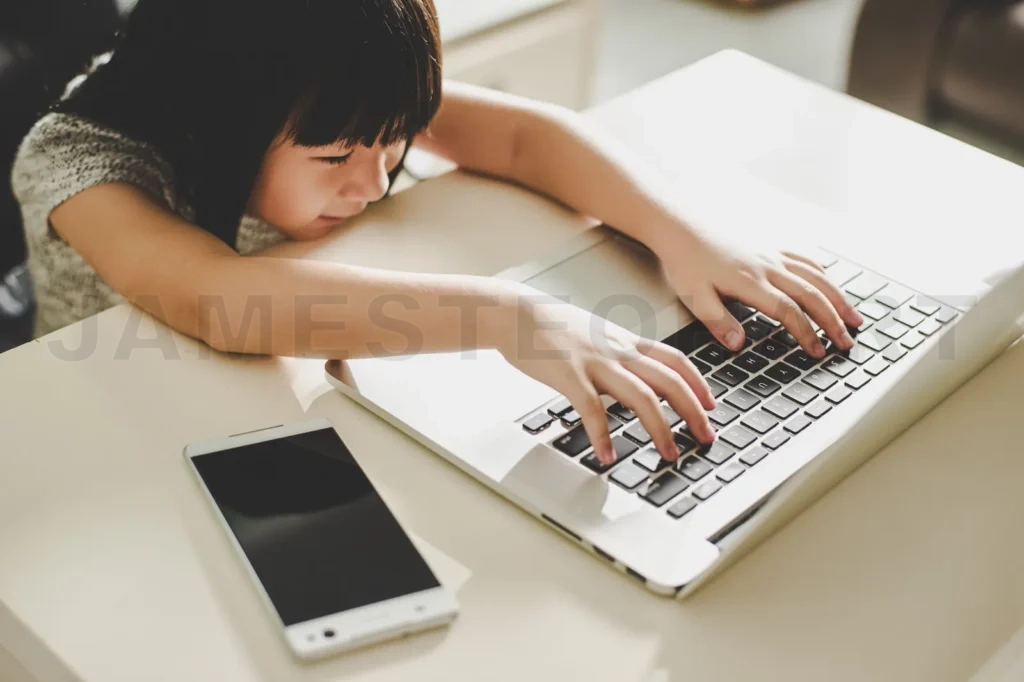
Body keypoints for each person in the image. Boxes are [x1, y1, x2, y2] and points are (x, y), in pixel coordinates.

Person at [10, 0, 862, 467]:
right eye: (338, 157)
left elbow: (525, 137)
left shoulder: (332, 80)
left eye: (395, 144)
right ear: (219, 125)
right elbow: (220, 301)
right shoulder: (78, 158)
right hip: (126, 426)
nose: (374, 181)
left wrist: (682, 233)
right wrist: (509, 313)